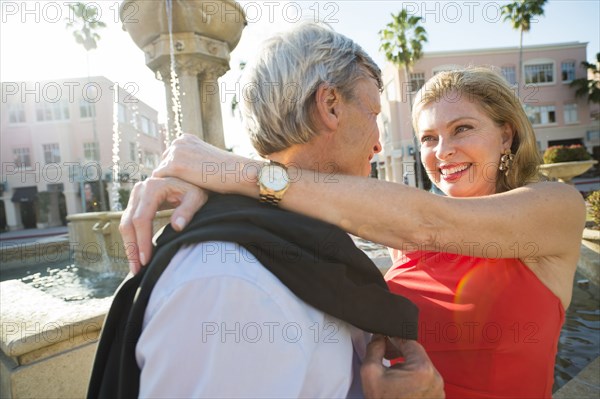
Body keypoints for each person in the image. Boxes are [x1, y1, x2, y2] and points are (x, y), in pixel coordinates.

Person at [121, 65, 586, 398]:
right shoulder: (394, 225)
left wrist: (229, 169)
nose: (442, 151)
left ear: (505, 135)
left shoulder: (556, 208)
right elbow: (317, 201)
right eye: (427, 137)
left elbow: (429, 224)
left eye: (462, 128)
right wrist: (208, 195)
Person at [89, 23, 443, 399]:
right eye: (373, 112)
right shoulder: (232, 282)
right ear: (330, 105)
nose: (378, 144)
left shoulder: (272, 246)